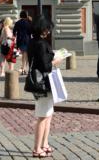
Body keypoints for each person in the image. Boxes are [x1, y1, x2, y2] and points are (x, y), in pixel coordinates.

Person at [28, 16, 61, 158]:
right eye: (47, 29)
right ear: (42, 29)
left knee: (48, 114)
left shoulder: (33, 42)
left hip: (41, 82)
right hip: (43, 83)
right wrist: (55, 61)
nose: (48, 31)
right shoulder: (41, 44)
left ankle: (45, 144)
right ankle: (37, 148)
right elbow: (45, 66)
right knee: (43, 116)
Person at [14, 10, 32, 75]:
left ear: (20, 15)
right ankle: (24, 69)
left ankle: (23, 68)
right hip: (27, 40)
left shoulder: (17, 23)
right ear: (26, 15)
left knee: (24, 55)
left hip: (20, 41)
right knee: (26, 55)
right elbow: (31, 31)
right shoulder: (28, 23)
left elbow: (14, 32)